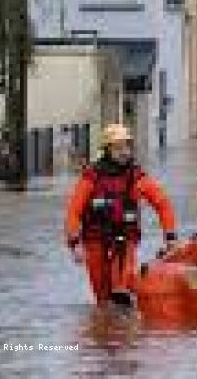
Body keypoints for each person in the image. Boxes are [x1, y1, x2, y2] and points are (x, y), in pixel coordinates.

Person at [64, 123, 178, 307]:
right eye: (119, 147)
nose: (125, 151)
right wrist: (74, 244)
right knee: (102, 298)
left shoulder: (137, 177)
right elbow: (74, 210)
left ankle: (126, 323)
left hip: (126, 238)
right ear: (107, 150)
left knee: (121, 289)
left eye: (127, 146)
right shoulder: (91, 177)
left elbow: (162, 203)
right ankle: (106, 328)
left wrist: (170, 236)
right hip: (95, 239)